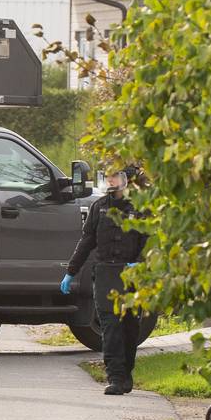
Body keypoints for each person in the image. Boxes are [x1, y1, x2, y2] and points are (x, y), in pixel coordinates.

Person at [60, 168, 147, 395]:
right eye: (107, 176)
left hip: (131, 274)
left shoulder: (139, 207)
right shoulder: (98, 208)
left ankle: (126, 373)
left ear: (126, 179)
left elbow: (150, 239)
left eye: (115, 176)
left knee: (130, 326)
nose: (110, 180)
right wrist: (71, 271)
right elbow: (87, 241)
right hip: (106, 273)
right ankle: (115, 376)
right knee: (110, 326)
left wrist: (141, 261)